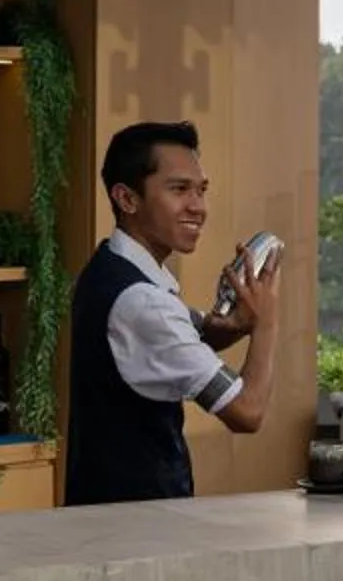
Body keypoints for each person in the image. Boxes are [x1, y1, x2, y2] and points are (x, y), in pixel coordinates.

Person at [66, 120, 283, 506]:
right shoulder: (143, 302)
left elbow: (192, 333)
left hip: (104, 515)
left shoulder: (109, 267)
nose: (198, 207)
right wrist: (267, 323)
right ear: (127, 199)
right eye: (179, 189)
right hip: (141, 524)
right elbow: (247, 413)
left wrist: (238, 324)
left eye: (201, 190)